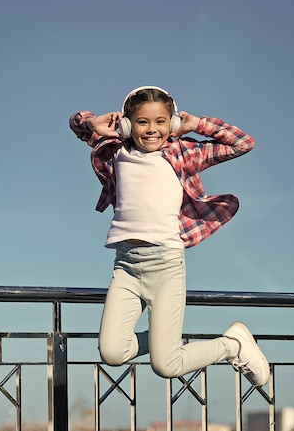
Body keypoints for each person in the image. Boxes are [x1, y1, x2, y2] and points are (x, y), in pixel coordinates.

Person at [69, 86, 269, 386]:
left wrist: (197, 124)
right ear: (127, 124)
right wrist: (91, 124)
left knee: (167, 365)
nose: (152, 130)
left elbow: (243, 143)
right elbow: (76, 122)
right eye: (142, 122)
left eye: (161, 122)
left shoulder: (184, 152)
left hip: (166, 266)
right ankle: (167, 337)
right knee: (112, 352)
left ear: (172, 123)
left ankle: (233, 346)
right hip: (125, 266)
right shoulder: (115, 150)